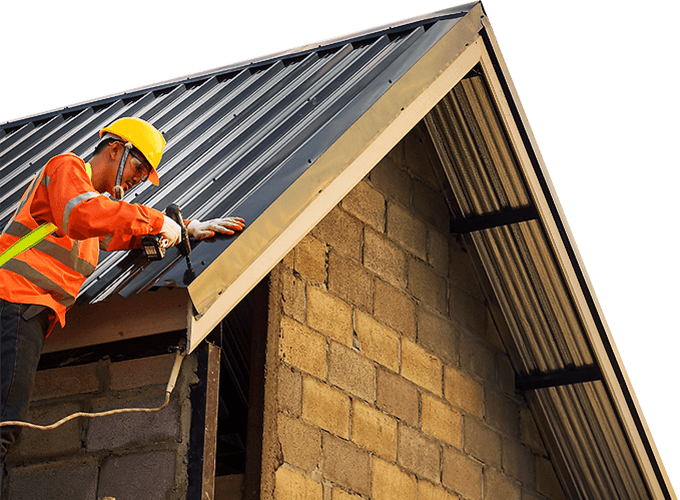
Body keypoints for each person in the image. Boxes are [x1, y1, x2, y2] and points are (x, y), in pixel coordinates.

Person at [0, 117, 245, 466]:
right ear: (116, 149)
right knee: (5, 426)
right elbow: (84, 214)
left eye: (146, 174)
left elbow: (122, 230)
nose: (139, 179)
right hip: (12, 301)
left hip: (24, 312)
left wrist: (187, 229)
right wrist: (159, 221)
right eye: (139, 166)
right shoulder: (67, 169)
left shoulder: (93, 213)